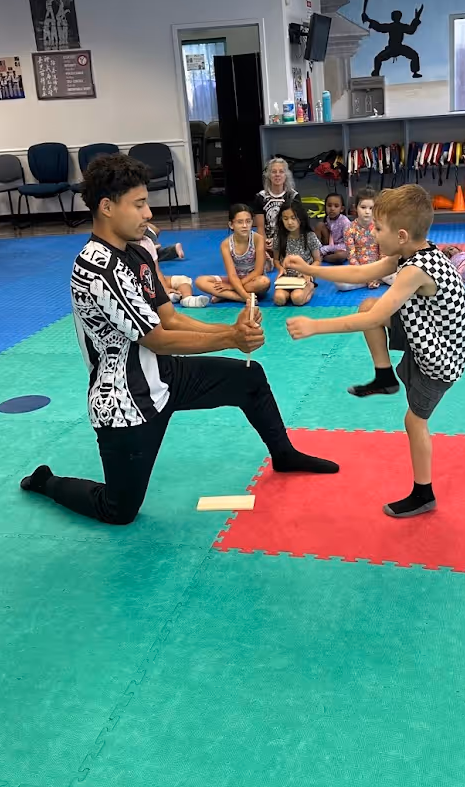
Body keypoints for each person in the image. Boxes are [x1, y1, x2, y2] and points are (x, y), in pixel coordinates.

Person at [19, 154, 336, 525]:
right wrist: (231, 338)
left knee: (249, 380)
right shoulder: (97, 267)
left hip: (165, 373)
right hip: (126, 400)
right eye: (138, 205)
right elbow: (159, 338)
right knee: (119, 510)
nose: (148, 214)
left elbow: (169, 316)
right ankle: (46, 482)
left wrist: (233, 331)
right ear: (106, 207)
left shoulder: (135, 252)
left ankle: (283, 455)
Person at [283, 184, 465, 519]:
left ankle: (423, 493)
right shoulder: (411, 252)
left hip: (442, 359)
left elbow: (373, 319)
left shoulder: (416, 269)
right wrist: (311, 270)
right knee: (369, 300)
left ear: (401, 235)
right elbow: (361, 272)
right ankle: (385, 377)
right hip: (427, 332)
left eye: (379, 228)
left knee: (414, 422)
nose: (372, 233)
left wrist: (315, 326)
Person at [195, 204, 271, 303]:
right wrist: (245, 297)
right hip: (235, 279)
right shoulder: (226, 244)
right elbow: (232, 275)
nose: (245, 226)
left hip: (252, 280)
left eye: (248, 221)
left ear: (252, 222)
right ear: (231, 225)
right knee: (200, 281)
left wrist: (231, 287)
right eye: (240, 222)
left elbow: (258, 271)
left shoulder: (258, 239)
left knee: (264, 282)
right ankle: (237, 297)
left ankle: (225, 295)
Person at [334, 188, 393, 291]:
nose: (367, 212)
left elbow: (383, 254)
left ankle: (376, 280)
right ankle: (373, 281)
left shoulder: (379, 226)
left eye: (371, 208)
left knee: (397, 274)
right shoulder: (349, 229)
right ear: (355, 208)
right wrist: (366, 276)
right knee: (340, 284)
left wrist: (377, 272)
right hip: (360, 270)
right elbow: (351, 257)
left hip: (379, 268)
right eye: (363, 207)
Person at [252, 158, 300, 272]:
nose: (277, 175)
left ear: (286, 175)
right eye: (274, 172)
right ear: (268, 175)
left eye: (281, 171)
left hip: (287, 239)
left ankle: (279, 257)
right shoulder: (261, 197)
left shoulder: (293, 196)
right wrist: (263, 243)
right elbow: (260, 227)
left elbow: (296, 225)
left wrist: (279, 241)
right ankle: (270, 256)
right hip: (268, 241)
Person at [272, 200, 320, 307]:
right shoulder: (279, 237)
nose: (289, 222)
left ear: (301, 218)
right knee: (279, 299)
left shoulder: (309, 236)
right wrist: (280, 268)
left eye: (293, 218)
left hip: (304, 277)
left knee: (297, 299)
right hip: (286, 278)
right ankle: (290, 293)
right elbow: (275, 260)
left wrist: (308, 272)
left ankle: (311, 287)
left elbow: (317, 260)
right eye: (285, 219)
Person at [362, 6, 424, 78]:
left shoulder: (393, 26)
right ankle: (415, 72)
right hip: (395, 48)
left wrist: (368, 20)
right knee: (414, 55)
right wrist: (416, 19)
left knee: (378, 59)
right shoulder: (400, 26)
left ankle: (376, 72)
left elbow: (380, 27)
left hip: (393, 48)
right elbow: (411, 30)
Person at [315, 192, 351, 264]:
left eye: (336, 206)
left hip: (340, 248)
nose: (332, 208)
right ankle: (314, 251)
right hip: (328, 244)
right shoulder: (328, 218)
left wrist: (325, 249)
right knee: (320, 225)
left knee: (342, 256)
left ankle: (323, 257)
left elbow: (347, 244)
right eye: (329, 205)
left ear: (341, 209)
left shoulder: (345, 222)